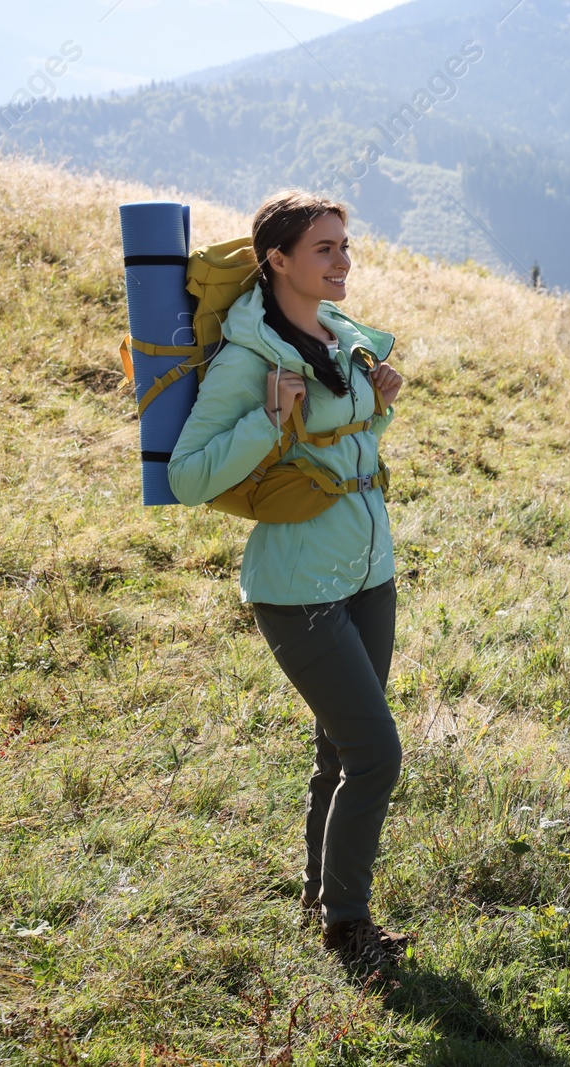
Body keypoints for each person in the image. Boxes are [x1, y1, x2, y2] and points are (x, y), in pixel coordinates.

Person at [168, 190, 409, 978]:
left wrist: (380, 405)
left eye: (346, 244)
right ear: (278, 260)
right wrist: (266, 421)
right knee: (377, 752)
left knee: (341, 751)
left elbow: (345, 447)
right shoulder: (249, 358)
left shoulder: (338, 334)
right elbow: (190, 475)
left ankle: (319, 896)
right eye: (326, 249)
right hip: (298, 590)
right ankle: (348, 925)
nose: (345, 261)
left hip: (370, 575)